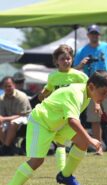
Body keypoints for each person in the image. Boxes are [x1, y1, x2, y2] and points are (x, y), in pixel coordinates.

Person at [0, 71, 107, 185]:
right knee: (37, 161)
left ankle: (65, 175)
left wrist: (97, 102)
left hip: (58, 122)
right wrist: (90, 139)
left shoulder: (87, 90)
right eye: (103, 93)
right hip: (41, 122)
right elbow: (72, 121)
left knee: (81, 142)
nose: (105, 97)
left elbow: (72, 119)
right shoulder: (76, 94)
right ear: (92, 87)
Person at [74, 24, 107, 156]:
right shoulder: (82, 51)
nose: (94, 35)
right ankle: (99, 148)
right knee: (94, 120)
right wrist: (81, 65)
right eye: (92, 33)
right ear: (88, 35)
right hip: (91, 89)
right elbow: (75, 70)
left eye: (96, 33)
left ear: (99, 35)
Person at [38, 44, 89, 172]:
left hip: (71, 114)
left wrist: (98, 104)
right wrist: (43, 93)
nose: (66, 61)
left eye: (68, 58)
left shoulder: (80, 76)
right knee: (61, 142)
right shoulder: (53, 76)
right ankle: (63, 172)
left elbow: (91, 91)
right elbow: (49, 88)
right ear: (56, 61)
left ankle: (64, 171)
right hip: (57, 114)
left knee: (65, 142)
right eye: (62, 59)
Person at [0, 77, 32, 156]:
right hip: (9, 118)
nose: (8, 88)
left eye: (9, 86)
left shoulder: (21, 96)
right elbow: (2, 114)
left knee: (13, 122)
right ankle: (8, 147)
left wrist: (3, 119)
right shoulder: (1, 98)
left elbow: (21, 114)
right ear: (2, 87)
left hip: (26, 118)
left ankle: (6, 148)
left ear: (14, 85)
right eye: (5, 86)